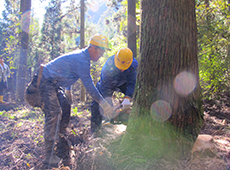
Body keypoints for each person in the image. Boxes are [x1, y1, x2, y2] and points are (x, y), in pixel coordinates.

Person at [35, 34, 114, 168]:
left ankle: (60, 136)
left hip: (54, 84)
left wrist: (68, 90)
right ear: (93, 48)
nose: (101, 55)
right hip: (46, 81)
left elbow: (66, 70)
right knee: (54, 113)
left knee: (66, 105)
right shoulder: (82, 60)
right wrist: (103, 103)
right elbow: (89, 86)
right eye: (101, 51)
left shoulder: (82, 56)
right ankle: (49, 155)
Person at [90, 47, 138, 133]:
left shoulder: (133, 64)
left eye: (124, 67)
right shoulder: (107, 69)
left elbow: (132, 83)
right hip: (108, 84)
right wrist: (109, 106)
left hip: (124, 83)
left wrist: (128, 98)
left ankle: (133, 119)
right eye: (120, 67)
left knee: (138, 93)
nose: (122, 69)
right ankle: (96, 131)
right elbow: (105, 89)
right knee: (96, 103)